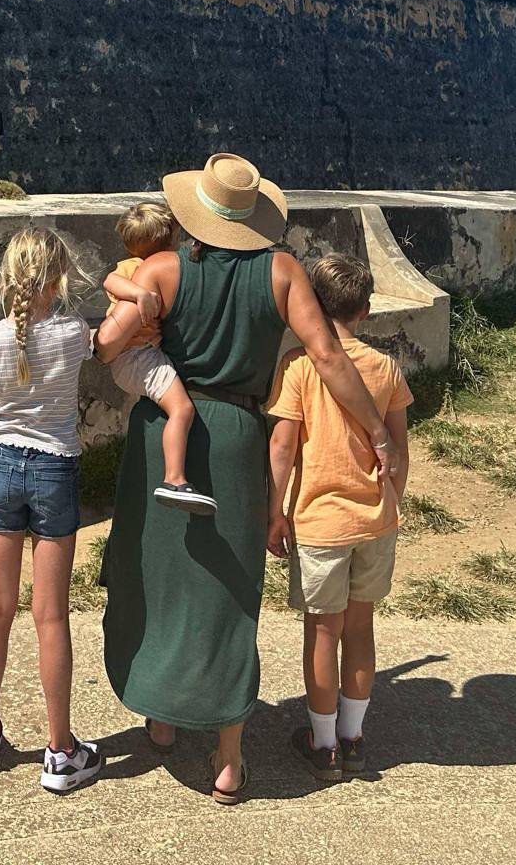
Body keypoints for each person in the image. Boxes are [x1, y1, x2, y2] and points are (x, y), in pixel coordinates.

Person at [97, 153, 394, 805]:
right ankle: (229, 760)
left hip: (162, 433)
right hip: (237, 439)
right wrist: (374, 428)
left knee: (158, 582)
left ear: (196, 212)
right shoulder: (283, 272)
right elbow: (328, 354)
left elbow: (107, 346)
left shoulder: (162, 267)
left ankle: (162, 719)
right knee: (230, 596)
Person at [0, 225, 106, 795]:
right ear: (58, 278)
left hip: (0, 468)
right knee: (51, 616)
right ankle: (61, 751)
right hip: (54, 471)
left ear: (6, 277)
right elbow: (111, 336)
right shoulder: (73, 334)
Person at [266, 252, 413, 782]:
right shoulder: (386, 368)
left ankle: (323, 744)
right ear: (365, 310)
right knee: (360, 627)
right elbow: (398, 449)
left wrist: (274, 512)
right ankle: (353, 737)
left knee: (322, 632)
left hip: (320, 521)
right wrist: (390, 500)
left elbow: (282, 447)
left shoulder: (299, 365)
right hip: (374, 519)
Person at [97, 201, 212, 513]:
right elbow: (109, 281)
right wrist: (140, 294)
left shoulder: (134, 265)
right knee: (182, 409)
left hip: (139, 355)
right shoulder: (137, 270)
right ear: (171, 241)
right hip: (137, 356)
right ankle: (174, 478)